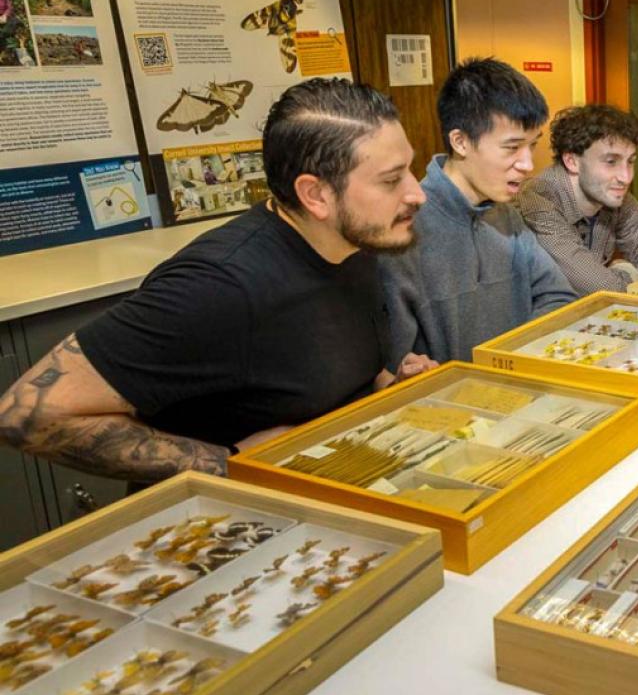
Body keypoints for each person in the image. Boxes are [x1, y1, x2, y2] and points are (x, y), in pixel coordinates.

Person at [0, 78, 434, 482]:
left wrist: (390, 387)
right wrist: (228, 462)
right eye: (391, 180)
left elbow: (328, 373)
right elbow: (27, 415)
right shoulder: (218, 285)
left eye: (409, 171)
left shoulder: (354, 244)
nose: (417, 193)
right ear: (316, 195)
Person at [380, 58, 576, 365]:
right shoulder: (404, 229)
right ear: (460, 142)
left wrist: (510, 360)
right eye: (512, 148)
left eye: (532, 146)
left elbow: (558, 297)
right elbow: (393, 363)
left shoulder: (505, 213)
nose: (527, 164)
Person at [517, 104, 638, 294]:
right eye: (611, 162)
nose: (625, 177)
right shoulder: (537, 200)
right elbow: (602, 288)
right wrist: (628, 273)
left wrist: (626, 277)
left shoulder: (614, 195)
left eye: (630, 161)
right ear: (572, 161)